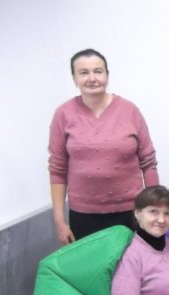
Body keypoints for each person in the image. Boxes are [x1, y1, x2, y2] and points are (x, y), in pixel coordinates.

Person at [48, 48, 159, 244]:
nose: (92, 78)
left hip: (131, 212)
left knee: (132, 262)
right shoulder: (63, 114)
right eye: (84, 72)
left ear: (107, 75)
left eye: (98, 71)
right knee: (90, 264)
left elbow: (148, 163)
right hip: (83, 216)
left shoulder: (130, 111)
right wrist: (59, 220)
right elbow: (57, 169)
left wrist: (154, 210)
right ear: (74, 78)